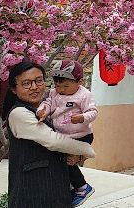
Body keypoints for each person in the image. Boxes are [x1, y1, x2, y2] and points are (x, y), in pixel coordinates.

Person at [4, 60, 95, 208]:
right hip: (33, 190)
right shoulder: (18, 113)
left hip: (55, 186)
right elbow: (53, 141)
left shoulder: (45, 109)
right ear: (14, 89)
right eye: (26, 83)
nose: (34, 87)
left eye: (39, 81)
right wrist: (87, 150)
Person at [37, 60, 97, 207]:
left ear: (79, 82)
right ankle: (70, 186)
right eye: (57, 85)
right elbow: (48, 103)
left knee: (69, 162)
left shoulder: (84, 95)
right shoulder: (54, 93)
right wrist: (42, 110)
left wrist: (82, 117)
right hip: (62, 135)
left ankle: (82, 187)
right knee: (62, 162)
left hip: (81, 135)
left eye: (65, 86)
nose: (61, 89)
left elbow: (93, 112)